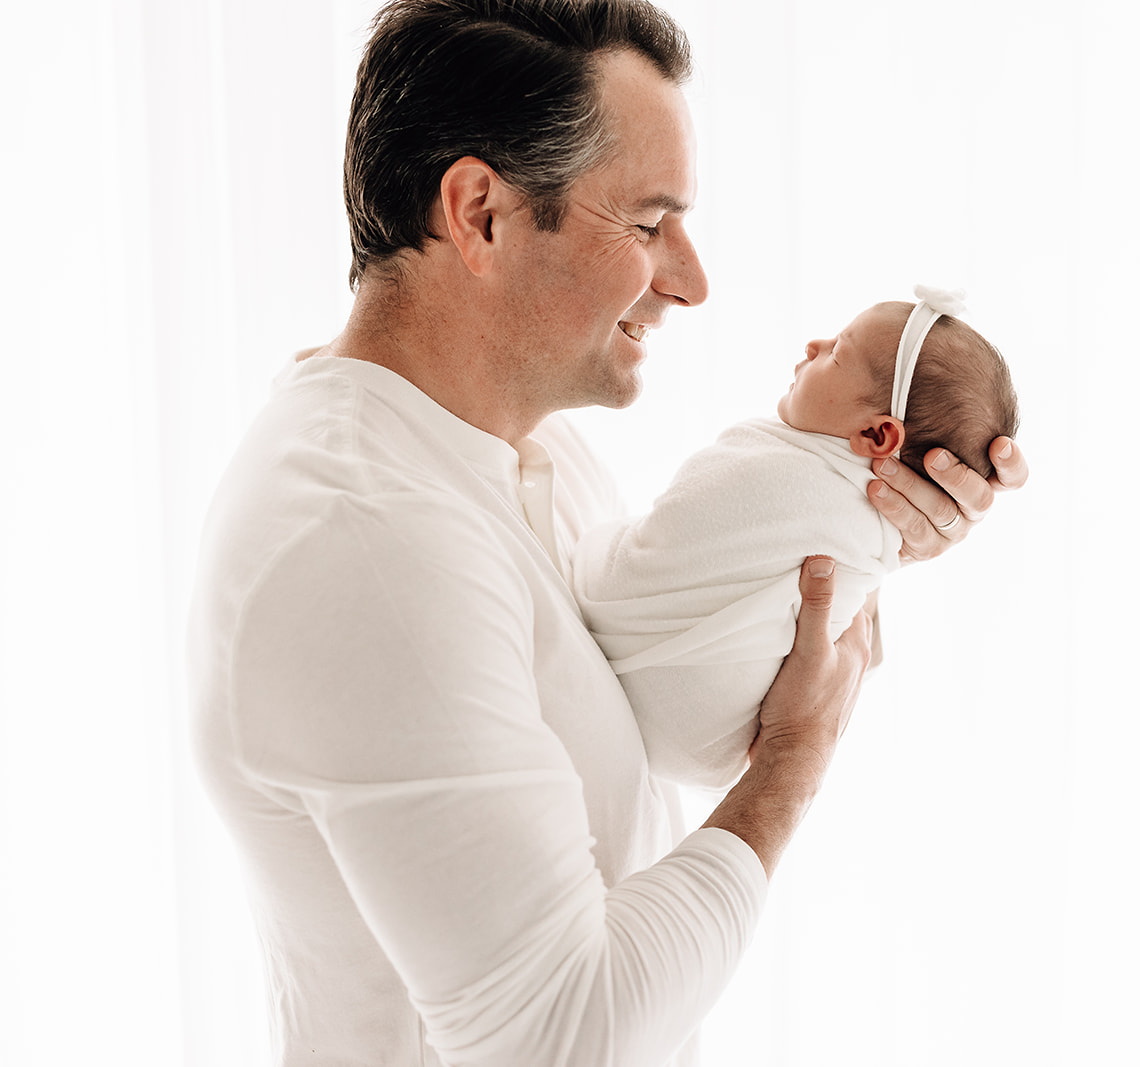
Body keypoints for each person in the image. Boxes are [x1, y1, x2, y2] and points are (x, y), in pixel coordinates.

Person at [188, 1, 1029, 1065]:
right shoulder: (363, 539)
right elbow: (560, 1036)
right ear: (480, 212)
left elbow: (670, 657)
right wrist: (791, 766)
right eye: (646, 225)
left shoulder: (512, 448)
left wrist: (865, 520)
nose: (691, 279)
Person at [573, 286, 1021, 788]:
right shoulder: (877, 527)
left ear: (877, 436)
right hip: (705, 742)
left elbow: (683, 523)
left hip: (637, 683)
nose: (814, 346)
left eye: (837, 354)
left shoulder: (781, 476)